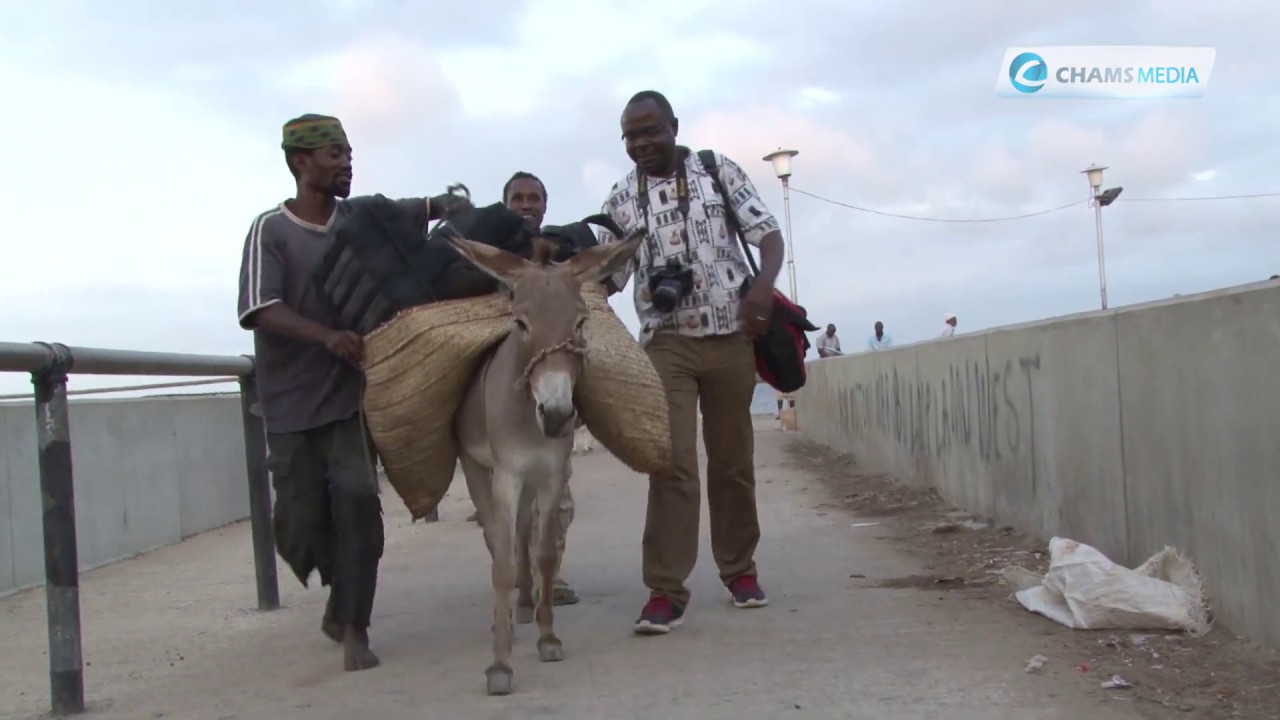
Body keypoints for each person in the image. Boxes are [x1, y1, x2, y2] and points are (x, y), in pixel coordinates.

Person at [236, 113, 465, 672]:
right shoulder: (273, 229)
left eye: (348, 153)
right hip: (291, 403)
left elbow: (408, 212)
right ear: (299, 162)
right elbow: (259, 309)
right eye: (333, 154)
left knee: (360, 507)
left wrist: (446, 205)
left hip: (352, 399)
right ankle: (339, 593)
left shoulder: (360, 220)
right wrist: (324, 335)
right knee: (298, 524)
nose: (345, 163)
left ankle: (353, 624)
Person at [595, 90, 785, 635]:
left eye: (650, 131)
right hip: (667, 343)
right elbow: (608, 275)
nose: (641, 144)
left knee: (732, 462)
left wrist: (763, 292)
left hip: (731, 338)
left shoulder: (715, 169)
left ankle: (739, 570)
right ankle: (665, 590)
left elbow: (766, 234)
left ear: (674, 126)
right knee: (672, 463)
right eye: (630, 136)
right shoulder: (622, 197)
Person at [461, 169, 581, 607]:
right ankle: (513, 573)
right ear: (506, 203)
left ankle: (551, 573)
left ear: (545, 205)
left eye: (534, 198)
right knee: (502, 495)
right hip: (502, 372)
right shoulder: (495, 254)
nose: (527, 205)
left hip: (548, 369)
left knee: (556, 490)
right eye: (518, 198)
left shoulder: (560, 256)